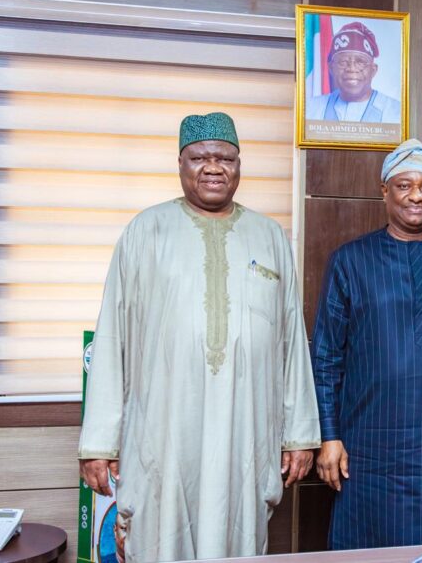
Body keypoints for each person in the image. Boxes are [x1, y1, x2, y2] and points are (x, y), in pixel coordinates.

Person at [78, 112, 321, 562]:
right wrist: (99, 442)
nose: (213, 167)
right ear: (180, 163)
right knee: (160, 534)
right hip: (164, 430)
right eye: (200, 158)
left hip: (245, 431)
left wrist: (300, 434)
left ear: (239, 166)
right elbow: (112, 340)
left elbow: (291, 341)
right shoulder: (145, 231)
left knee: (239, 534)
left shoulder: (269, 236)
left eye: (225, 158)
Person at [312, 138, 422, 550]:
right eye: (404, 185)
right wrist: (329, 435)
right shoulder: (349, 261)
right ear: (384, 191)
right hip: (365, 450)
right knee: (364, 553)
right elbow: (326, 358)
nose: (416, 196)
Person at [305, 21, 400, 123]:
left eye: (360, 62)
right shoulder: (310, 109)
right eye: (343, 62)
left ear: (373, 70)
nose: (351, 68)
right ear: (331, 68)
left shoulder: (397, 112)